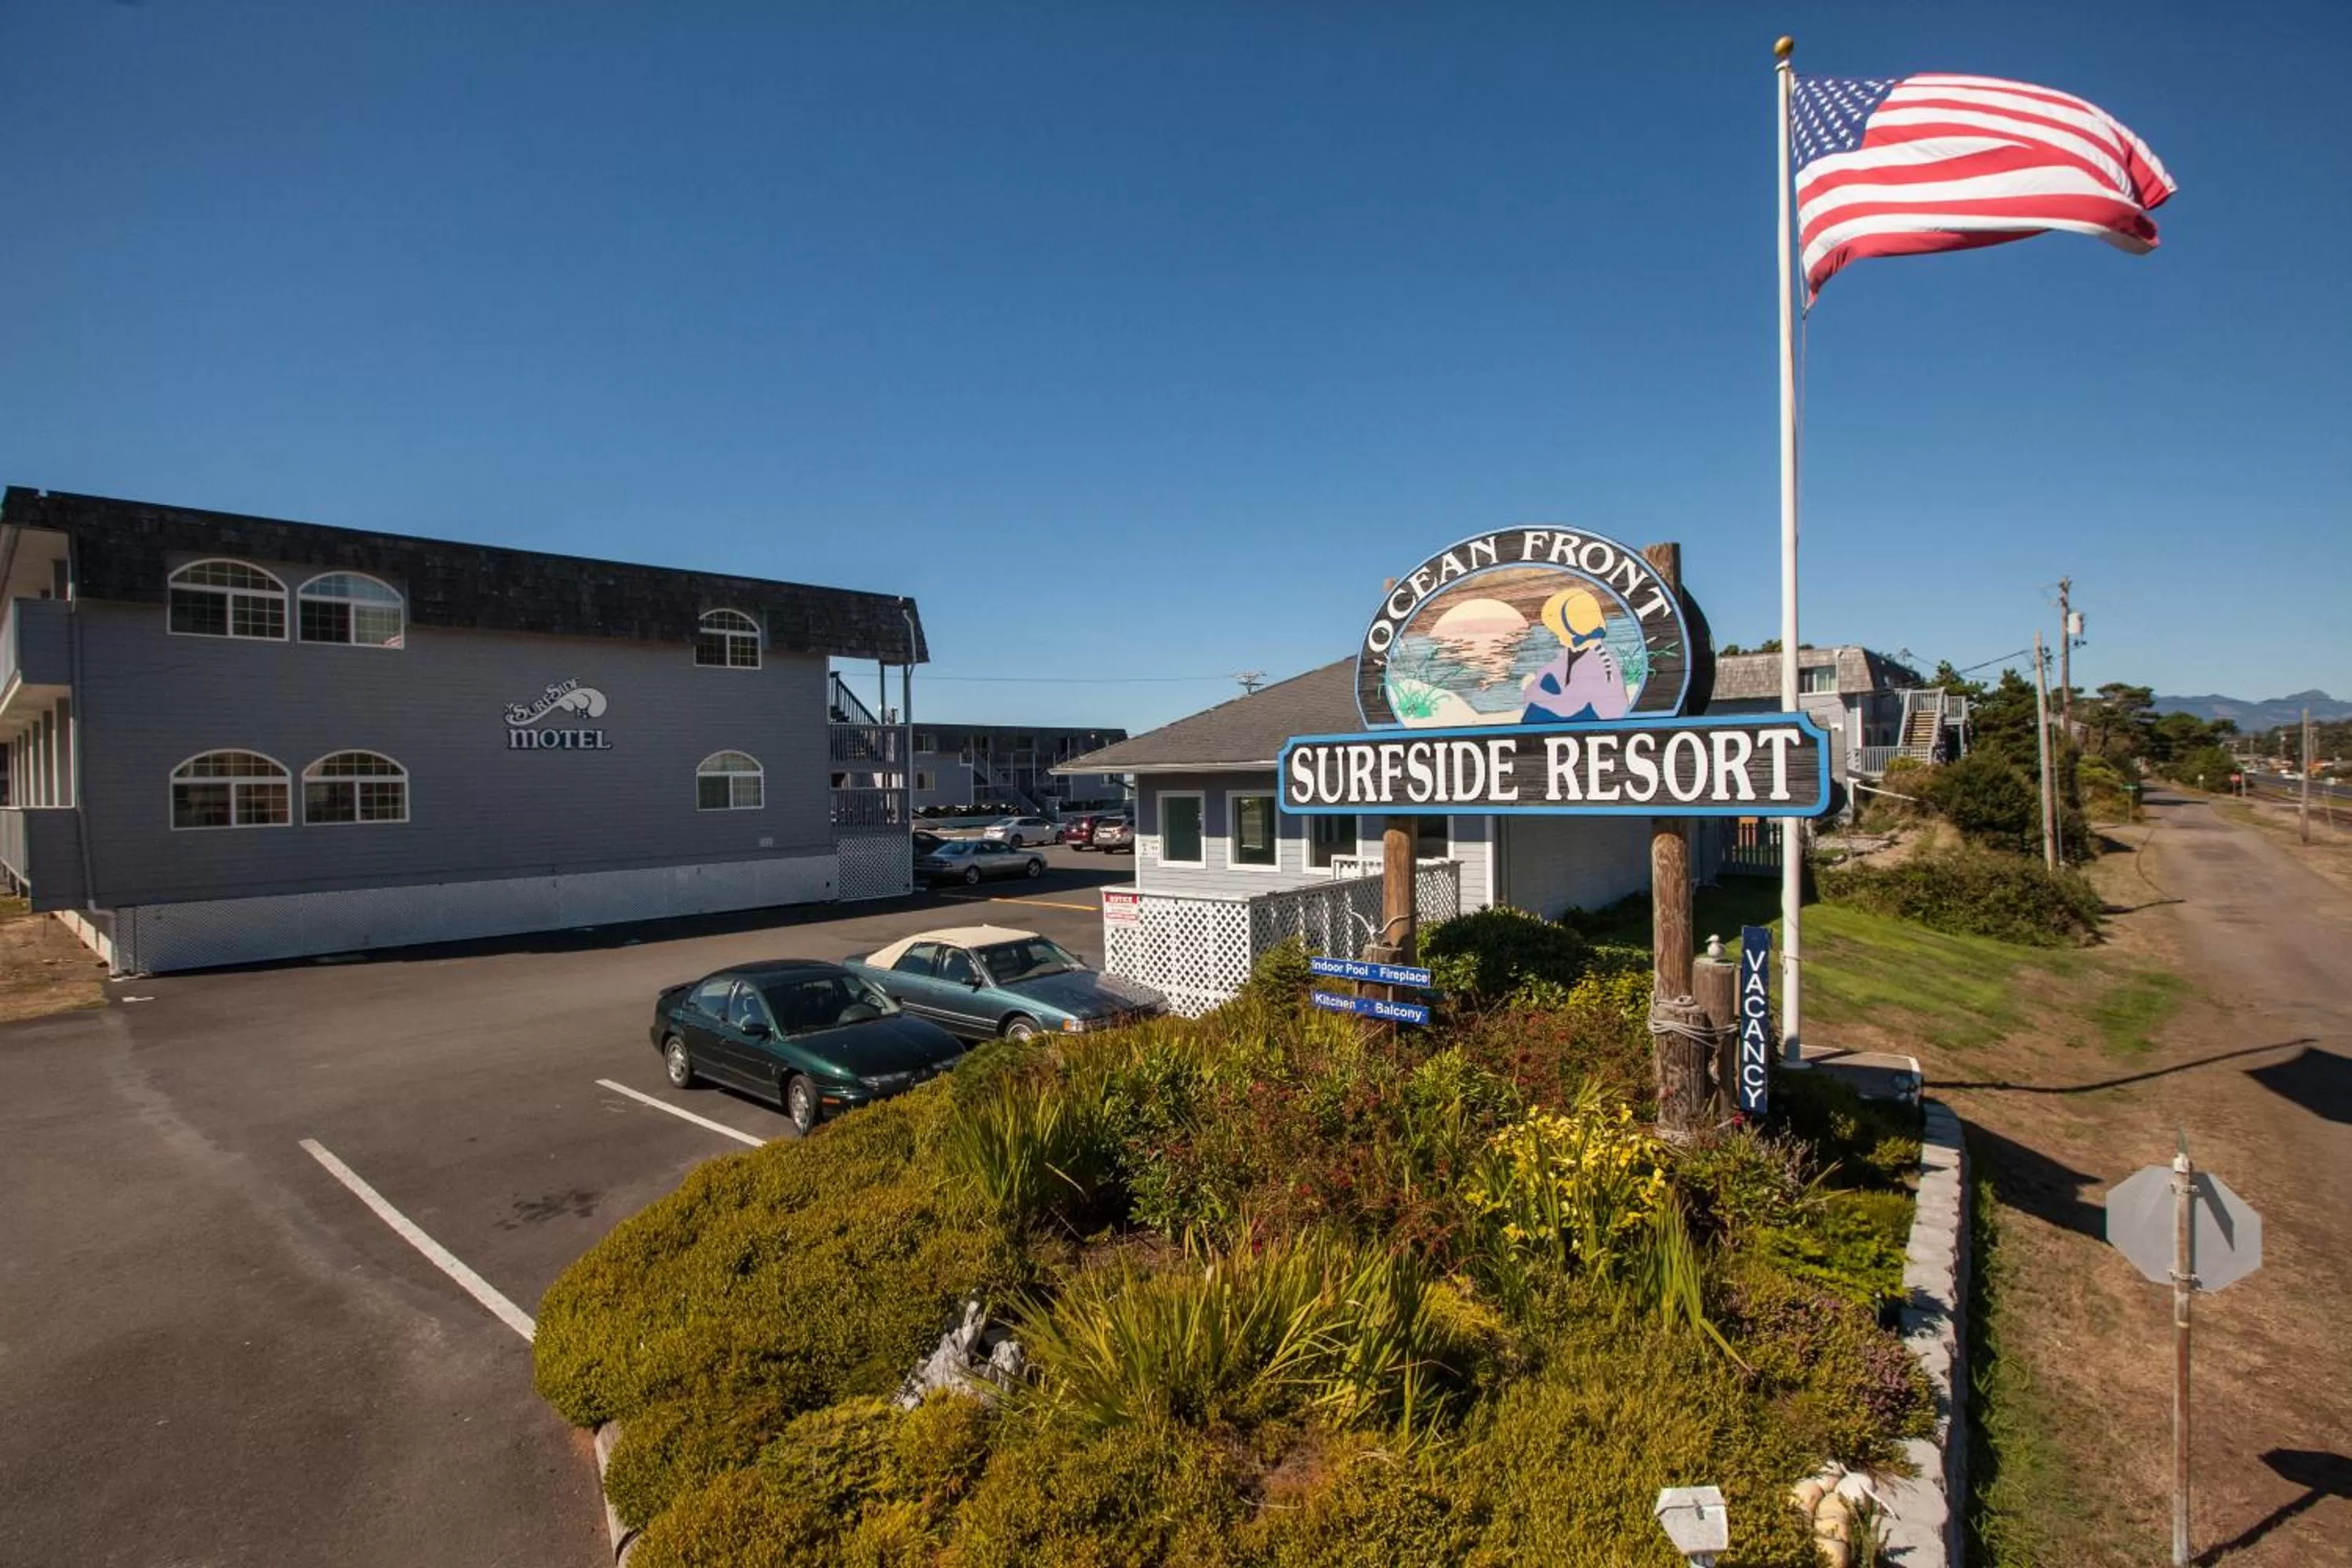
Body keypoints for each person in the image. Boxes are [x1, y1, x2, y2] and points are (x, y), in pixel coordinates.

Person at [1520, 588, 1629, 724]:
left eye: (1560, 633)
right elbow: (1557, 666)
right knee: (1546, 680)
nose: (1559, 639)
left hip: (1599, 721)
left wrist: (1531, 690)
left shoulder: (1596, 664)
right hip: (1579, 709)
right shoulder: (1574, 652)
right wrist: (1536, 678)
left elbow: (1567, 707)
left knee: (1538, 703)